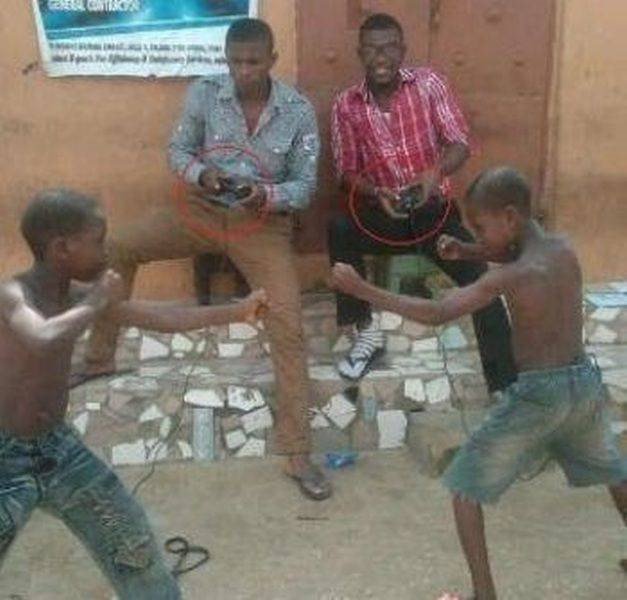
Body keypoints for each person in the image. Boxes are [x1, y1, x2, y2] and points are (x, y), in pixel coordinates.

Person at [331, 167, 627, 600]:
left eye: (481, 228)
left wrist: (363, 290)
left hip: (538, 397)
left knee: (464, 490)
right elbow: (519, 253)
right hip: (583, 384)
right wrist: (468, 250)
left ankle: (484, 594)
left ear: (509, 217)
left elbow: (439, 313)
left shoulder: (508, 276)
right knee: (613, 469)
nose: (478, 236)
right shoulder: (562, 249)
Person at [73, 17, 331, 500]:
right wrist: (202, 175)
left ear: (272, 61)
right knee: (118, 248)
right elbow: (178, 150)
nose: (243, 71)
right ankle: (99, 358)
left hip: (262, 224)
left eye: (253, 62)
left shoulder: (297, 110)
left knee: (288, 322)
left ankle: (297, 452)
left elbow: (304, 186)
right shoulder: (205, 93)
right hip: (201, 210)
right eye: (235, 62)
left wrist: (266, 194)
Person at [0, 189, 267, 599]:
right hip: (5, 459)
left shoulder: (75, 297)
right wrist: (97, 302)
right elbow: (42, 337)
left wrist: (237, 311)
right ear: (61, 248)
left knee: (134, 552)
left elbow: (160, 317)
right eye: (98, 241)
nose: (106, 252)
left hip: (59, 452)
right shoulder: (12, 295)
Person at [328, 13, 516, 394]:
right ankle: (366, 333)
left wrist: (433, 174)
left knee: (484, 285)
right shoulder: (346, 105)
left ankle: (504, 385)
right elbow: (345, 172)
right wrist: (376, 193)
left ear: (403, 50)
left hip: (434, 217)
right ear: (360, 53)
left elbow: (460, 143)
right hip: (383, 214)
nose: (381, 57)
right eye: (372, 49)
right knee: (339, 228)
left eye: (389, 47)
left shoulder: (429, 84)